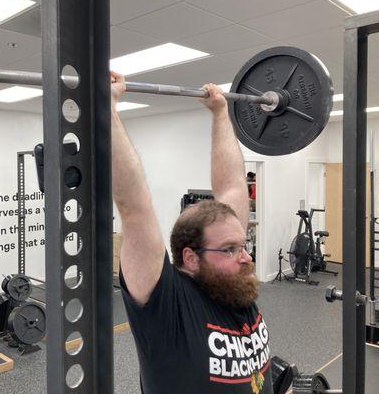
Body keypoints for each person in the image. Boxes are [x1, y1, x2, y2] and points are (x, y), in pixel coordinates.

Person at [110, 71, 272, 394]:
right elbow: (134, 207)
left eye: (243, 246)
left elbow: (233, 187)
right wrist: (107, 109)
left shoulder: (233, 287)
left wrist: (221, 113)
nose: (246, 257)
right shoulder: (168, 307)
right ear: (190, 258)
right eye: (230, 249)